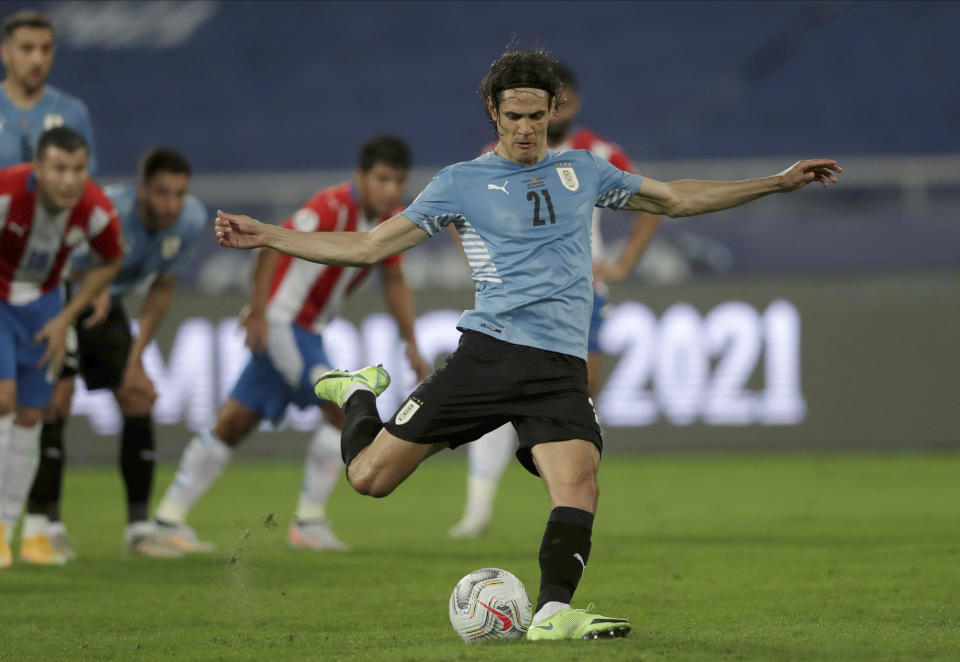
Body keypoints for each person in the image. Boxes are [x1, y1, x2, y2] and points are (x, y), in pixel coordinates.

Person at [213, 47, 841, 640]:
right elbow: (367, 246)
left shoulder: (584, 170)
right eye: (513, 117)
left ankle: (553, 613)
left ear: (553, 111)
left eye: (537, 116)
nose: (525, 129)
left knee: (580, 483)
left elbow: (675, 198)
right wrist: (268, 234)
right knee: (368, 479)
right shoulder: (460, 183)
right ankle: (356, 395)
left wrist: (777, 182)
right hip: (489, 355)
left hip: (558, 367)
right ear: (494, 112)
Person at [152, 136, 431, 553]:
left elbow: (394, 281)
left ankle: (166, 520)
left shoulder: (387, 223)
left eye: (397, 182)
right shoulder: (330, 206)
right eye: (382, 179)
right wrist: (260, 311)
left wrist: (411, 343)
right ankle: (309, 522)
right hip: (285, 324)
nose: (390, 190)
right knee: (343, 405)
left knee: (233, 423)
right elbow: (269, 242)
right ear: (361, 177)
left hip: (306, 331)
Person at [450, 62, 663, 539]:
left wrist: (624, 263)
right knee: (500, 403)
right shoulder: (495, 155)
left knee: (579, 398)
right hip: (514, 305)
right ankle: (478, 509)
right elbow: (453, 211)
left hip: (581, 300)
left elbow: (655, 204)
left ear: (565, 105)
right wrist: (481, 268)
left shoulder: (598, 154)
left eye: (557, 101)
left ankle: (568, 507)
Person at [22, 148, 206, 560]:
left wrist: (137, 354)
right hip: (59, 295)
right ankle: (44, 526)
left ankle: (139, 530)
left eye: (178, 193)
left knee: (138, 393)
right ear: (141, 190)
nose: (171, 204)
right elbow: (58, 259)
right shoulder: (108, 212)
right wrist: (95, 283)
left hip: (108, 303)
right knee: (55, 400)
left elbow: (162, 289)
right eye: (161, 193)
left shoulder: (191, 219)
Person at [0, 126, 122, 568]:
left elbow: (110, 260)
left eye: (77, 170)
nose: (69, 180)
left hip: (46, 311)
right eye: (58, 169)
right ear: (38, 169)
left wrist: (66, 319)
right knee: (3, 400)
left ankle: (6, 530)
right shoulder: (7, 192)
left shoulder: (96, 210)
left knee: (33, 416)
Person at [0, 9, 97, 171]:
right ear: (5, 53)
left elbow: (86, 179)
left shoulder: (73, 112)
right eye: (27, 49)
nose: (38, 59)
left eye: (45, 49)